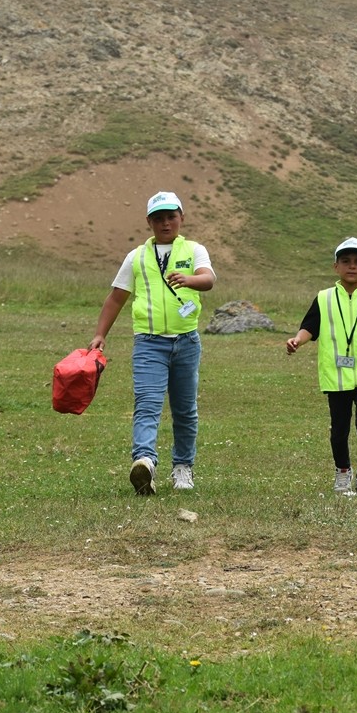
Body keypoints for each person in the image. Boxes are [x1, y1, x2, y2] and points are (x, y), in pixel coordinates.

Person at [89, 191, 215, 495]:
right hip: (148, 343)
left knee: (185, 409)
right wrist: (100, 334)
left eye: (171, 216)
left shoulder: (194, 250)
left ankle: (183, 467)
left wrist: (189, 280)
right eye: (158, 218)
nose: (165, 223)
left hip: (186, 342)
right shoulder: (136, 257)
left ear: (181, 217)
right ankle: (144, 461)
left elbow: (208, 279)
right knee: (147, 404)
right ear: (149, 222)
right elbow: (116, 297)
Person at [286, 237, 357, 495]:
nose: (352, 266)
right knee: (339, 429)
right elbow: (309, 328)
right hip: (335, 375)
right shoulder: (324, 298)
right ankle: (343, 472)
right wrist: (297, 340)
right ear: (336, 266)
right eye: (345, 261)